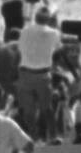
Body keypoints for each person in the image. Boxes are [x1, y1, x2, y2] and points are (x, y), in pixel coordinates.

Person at [17, 9, 63, 142]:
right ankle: (53, 136)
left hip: (25, 73)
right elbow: (59, 48)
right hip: (43, 75)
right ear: (49, 20)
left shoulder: (24, 31)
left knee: (28, 111)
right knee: (47, 109)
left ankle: (34, 137)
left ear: (35, 18)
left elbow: (21, 48)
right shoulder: (54, 33)